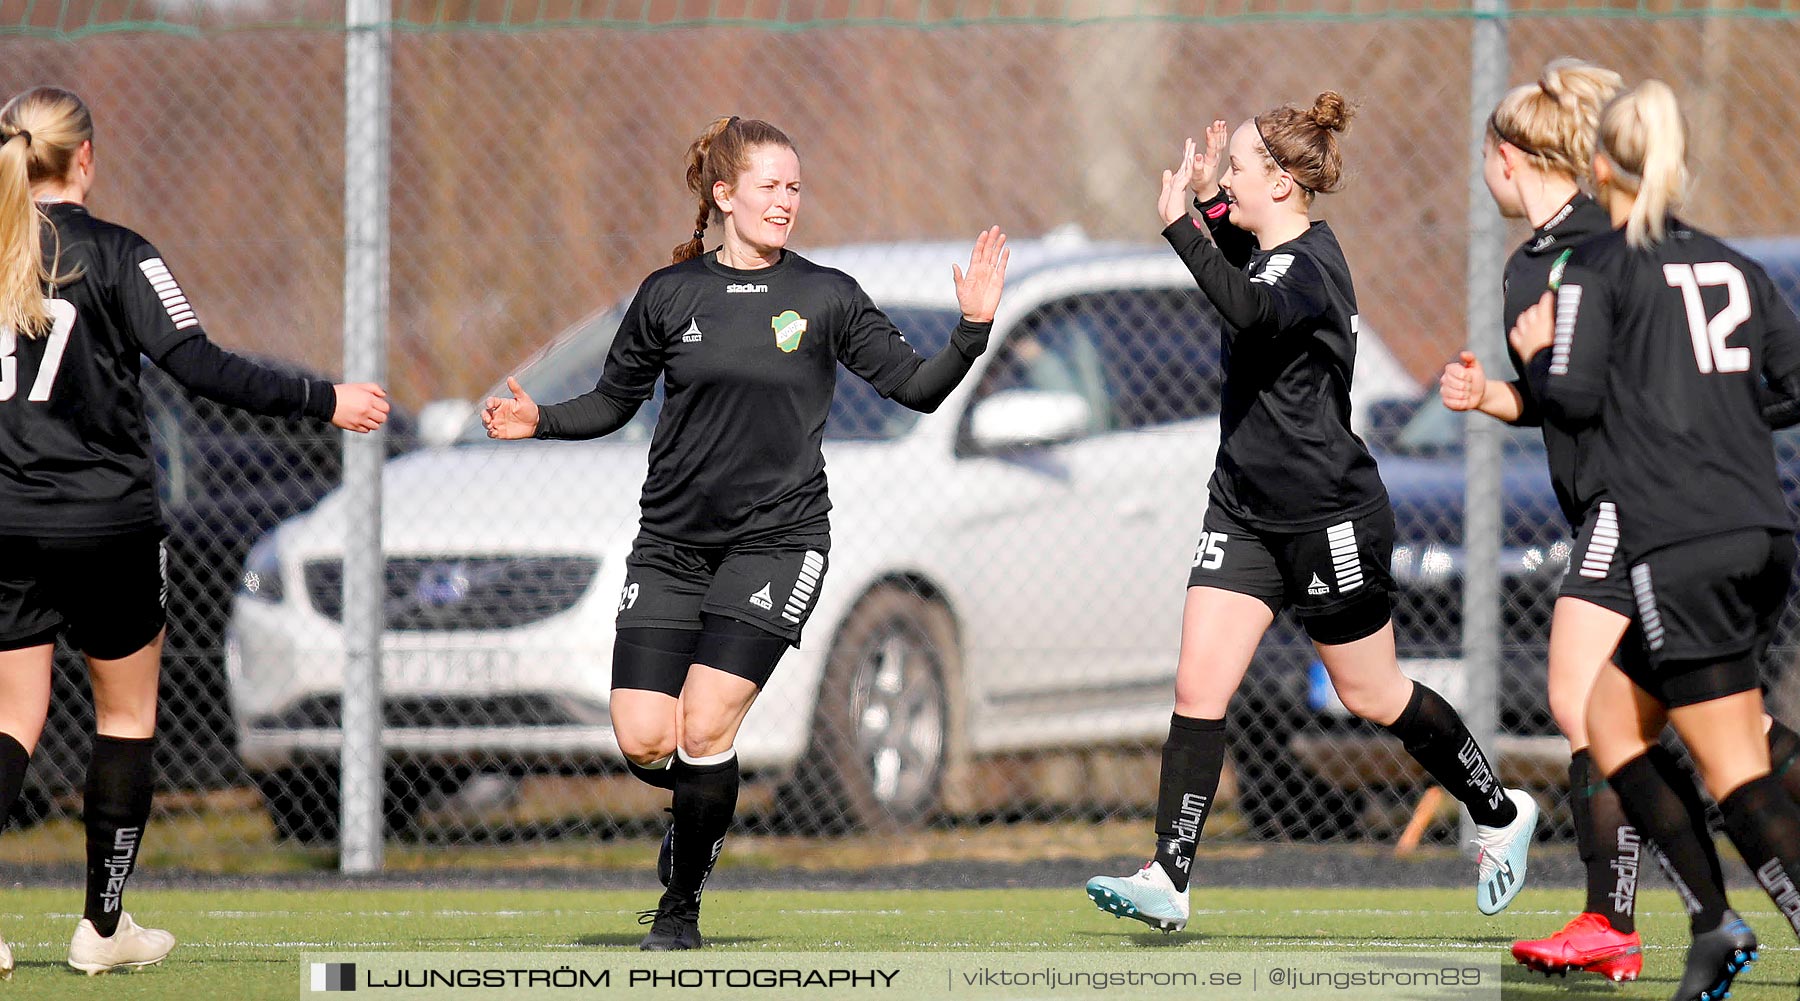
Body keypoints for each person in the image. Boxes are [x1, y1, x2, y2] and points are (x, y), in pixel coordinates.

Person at [480, 116, 1008, 951]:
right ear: (724, 195)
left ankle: (680, 904)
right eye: (769, 186)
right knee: (646, 737)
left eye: (795, 187)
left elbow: (918, 388)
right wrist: (538, 417)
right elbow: (612, 403)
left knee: (705, 725)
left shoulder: (827, 295)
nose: (785, 202)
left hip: (779, 542)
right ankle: (693, 811)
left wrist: (971, 328)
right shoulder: (669, 294)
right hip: (673, 546)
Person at [1086, 94, 1539, 935]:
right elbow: (1233, 259)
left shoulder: (1311, 266)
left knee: (1372, 692)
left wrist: (1183, 222)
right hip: (1244, 509)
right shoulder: (1264, 249)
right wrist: (1209, 198)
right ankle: (1169, 876)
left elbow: (1249, 305)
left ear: (1286, 183)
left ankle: (1500, 809)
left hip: (1328, 515)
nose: (1230, 178)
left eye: (1243, 168)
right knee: (1199, 685)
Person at [0, 86, 390, 977]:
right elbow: (200, 364)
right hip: (108, 522)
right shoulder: (120, 255)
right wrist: (321, 398)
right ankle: (103, 929)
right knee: (126, 713)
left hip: (7, 522)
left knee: (12, 718)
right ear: (85, 159)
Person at [1512, 79, 1800, 1001]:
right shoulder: (1729, 263)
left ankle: (1735, 919)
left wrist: (1532, 353)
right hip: (1758, 527)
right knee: (1605, 718)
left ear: (1599, 166)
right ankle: (1713, 924)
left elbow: (1574, 400)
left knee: (1732, 769)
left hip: (1683, 540)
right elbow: (1791, 379)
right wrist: (1716, 416)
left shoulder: (1600, 264)